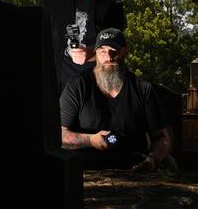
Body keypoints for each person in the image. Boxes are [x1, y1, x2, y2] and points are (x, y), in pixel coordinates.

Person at [59, 28, 172, 171]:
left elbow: (161, 137)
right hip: (87, 169)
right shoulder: (77, 86)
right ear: (95, 53)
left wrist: (153, 159)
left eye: (114, 50)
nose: (109, 56)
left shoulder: (143, 89)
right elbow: (59, 135)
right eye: (103, 51)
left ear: (125, 52)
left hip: (134, 169)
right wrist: (90, 140)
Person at [40, 0, 126, 93]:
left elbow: (121, 50)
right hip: (57, 87)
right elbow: (38, 39)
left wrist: (91, 54)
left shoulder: (112, 5)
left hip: (97, 87)